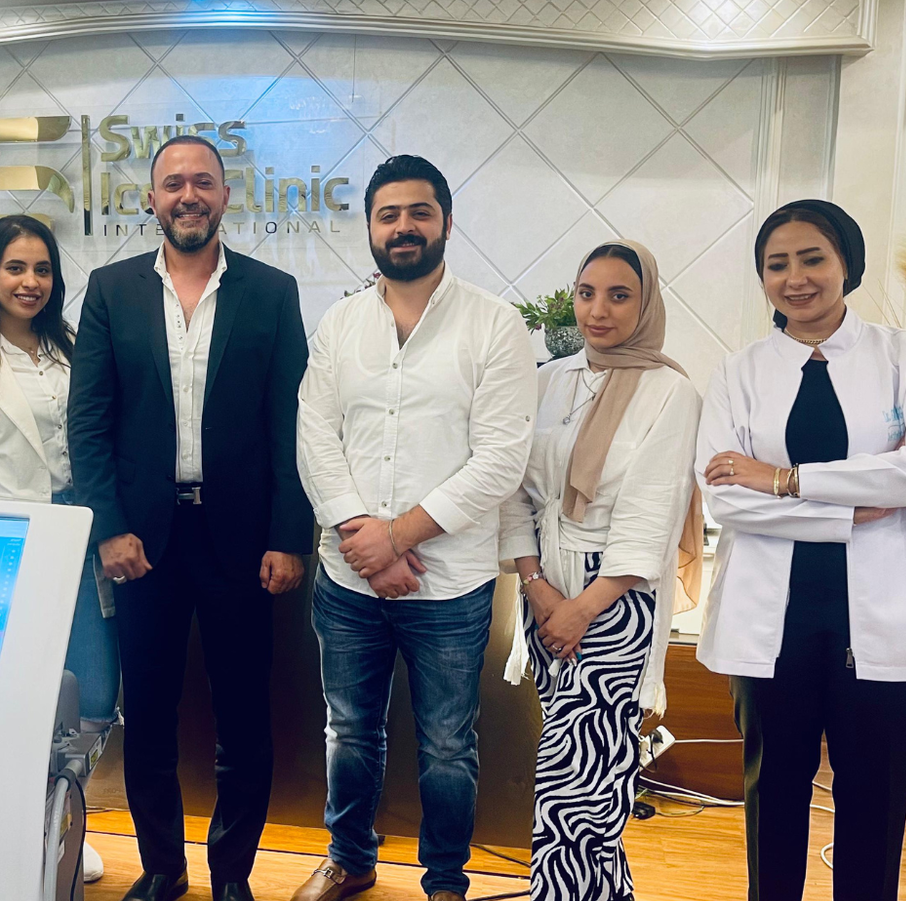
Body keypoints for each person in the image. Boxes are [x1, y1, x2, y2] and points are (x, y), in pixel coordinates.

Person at [697, 200, 906, 901]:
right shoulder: (740, 371)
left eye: (812, 259)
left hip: (883, 612)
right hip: (775, 617)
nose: (795, 278)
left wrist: (783, 479)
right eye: (777, 265)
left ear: (847, 263)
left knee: (875, 796)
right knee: (773, 791)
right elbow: (724, 498)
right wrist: (855, 508)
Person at [68, 134, 314, 901]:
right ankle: (163, 868)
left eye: (202, 181)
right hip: (142, 541)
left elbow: (292, 424)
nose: (188, 195)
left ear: (225, 196)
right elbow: (89, 422)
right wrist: (108, 527)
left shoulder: (272, 292)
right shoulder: (110, 290)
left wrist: (288, 535)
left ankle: (233, 874)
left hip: (241, 542)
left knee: (244, 718)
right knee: (148, 717)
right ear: (151, 198)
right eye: (173, 183)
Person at [292, 154, 537, 901]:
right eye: (388, 214)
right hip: (348, 577)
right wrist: (362, 537)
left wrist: (396, 536)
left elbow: (501, 459)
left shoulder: (494, 324)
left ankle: (445, 881)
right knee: (348, 731)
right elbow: (314, 436)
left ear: (447, 223)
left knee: (447, 745)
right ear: (370, 227)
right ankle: (350, 857)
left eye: (419, 212)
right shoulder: (340, 324)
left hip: (448, 582)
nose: (404, 226)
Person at [499, 240, 703, 901]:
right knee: (591, 773)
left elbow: (652, 513)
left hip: (614, 597)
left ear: (646, 305)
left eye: (620, 295)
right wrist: (536, 586)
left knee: (573, 784)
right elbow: (514, 490)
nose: (599, 310)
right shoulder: (546, 380)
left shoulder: (671, 392)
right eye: (587, 293)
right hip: (544, 586)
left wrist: (581, 607)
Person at [0, 213, 117, 883]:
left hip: (80, 538)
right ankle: (12, 827)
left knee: (93, 693)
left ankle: (62, 818)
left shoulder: (70, 343)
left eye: (42, 269)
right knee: (14, 698)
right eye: (15, 268)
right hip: (6, 548)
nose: (30, 281)